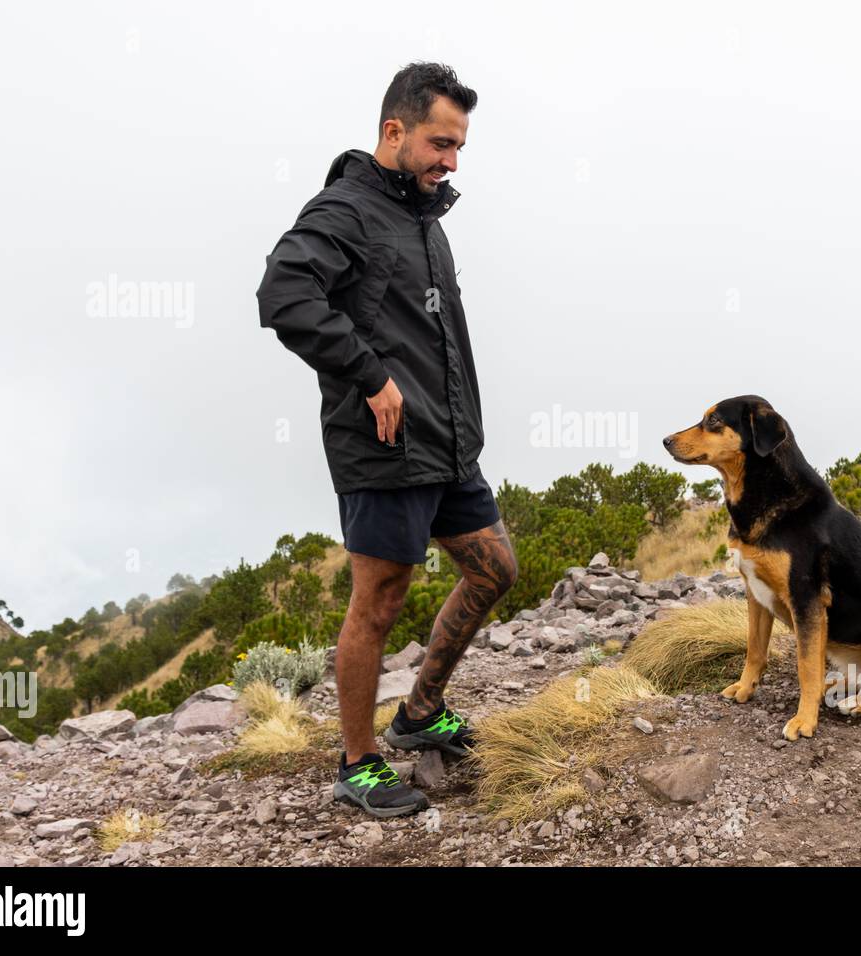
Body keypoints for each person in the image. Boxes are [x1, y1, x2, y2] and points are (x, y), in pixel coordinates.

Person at [257, 62, 517, 818]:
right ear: (393, 131)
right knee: (379, 601)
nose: (452, 162)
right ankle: (358, 763)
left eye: (460, 146)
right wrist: (369, 375)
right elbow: (284, 292)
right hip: (381, 446)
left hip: (445, 443)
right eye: (441, 142)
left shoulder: (422, 214)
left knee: (496, 568)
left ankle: (417, 715)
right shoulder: (346, 209)